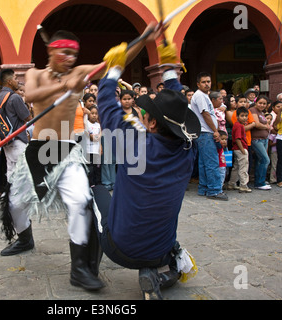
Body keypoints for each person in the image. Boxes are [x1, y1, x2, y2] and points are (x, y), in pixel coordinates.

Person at [0, 24, 162, 292]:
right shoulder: (35, 74)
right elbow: (30, 95)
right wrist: (65, 86)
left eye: (73, 55)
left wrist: (145, 38)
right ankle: (25, 238)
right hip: (38, 148)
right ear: (52, 52)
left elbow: (115, 60)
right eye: (65, 53)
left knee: (80, 202)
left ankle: (79, 269)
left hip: (67, 150)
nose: (71, 60)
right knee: (16, 203)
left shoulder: (80, 72)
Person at [91, 38, 200, 300]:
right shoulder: (189, 151)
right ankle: (158, 270)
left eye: (146, 113)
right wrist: (169, 67)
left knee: (94, 190)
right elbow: (178, 108)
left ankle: (85, 269)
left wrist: (114, 71)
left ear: (150, 123)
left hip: (120, 249)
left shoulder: (134, 145)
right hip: (160, 250)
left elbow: (105, 106)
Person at [190, 72, 228, 200]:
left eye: (208, 81)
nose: (207, 84)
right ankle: (214, 190)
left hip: (204, 132)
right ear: (198, 84)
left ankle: (204, 188)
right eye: (204, 82)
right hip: (206, 132)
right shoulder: (200, 96)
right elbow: (205, 114)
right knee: (211, 162)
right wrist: (215, 130)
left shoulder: (203, 95)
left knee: (204, 162)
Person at [0, 69, 32, 177]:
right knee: (23, 172)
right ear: (9, 81)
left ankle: (12, 193)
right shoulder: (15, 97)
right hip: (17, 138)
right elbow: (28, 117)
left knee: (11, 170)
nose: (18, 81)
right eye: (15, 78)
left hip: (6, 139)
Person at [249, 95, 272, 190]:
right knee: (265, 159)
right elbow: (257, 124)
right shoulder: (253, 110)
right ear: (256, 102)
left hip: (264, 139)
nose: (262, 105)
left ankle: (260, 181)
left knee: (260, 160)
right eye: (260, 103)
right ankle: (260, 182)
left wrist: (266, 126)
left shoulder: (261, 112)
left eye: (264, 103)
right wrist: (266, 127)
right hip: (257, 139)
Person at [227, 107, 251, 193]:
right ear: (237, 116)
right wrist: (242, 150)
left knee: (236, 167)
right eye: (242, 116)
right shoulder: (239, 126)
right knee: (243, 167)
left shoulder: (238, 125)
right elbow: (237, 139)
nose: (244, 118)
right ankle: (243, 185)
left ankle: (231, 183)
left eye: (246, 116)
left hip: (237, 149)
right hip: (241, 148)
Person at [86, 105, 101, 186]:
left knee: (97, 168)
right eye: (92, 113)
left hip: (96, 150)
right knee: (90, 169)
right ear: (89, 114)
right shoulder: (87, 124)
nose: (94, 115)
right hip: (89, 150)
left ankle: (97, 183)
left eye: (96, 113)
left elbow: (99, 137)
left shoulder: (98, 125)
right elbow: (92, 138)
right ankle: (91, 183)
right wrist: (97, 136)